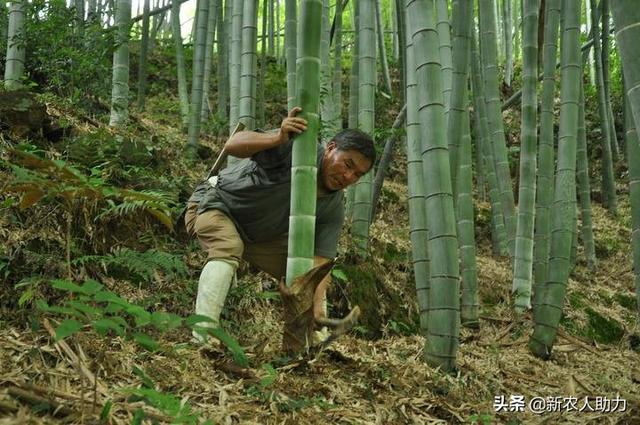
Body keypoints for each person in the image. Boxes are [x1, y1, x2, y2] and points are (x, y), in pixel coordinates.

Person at [185, 107, 375, 340]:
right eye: (347, 164)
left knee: (304, 272)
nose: (348, 177)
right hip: (215, 204)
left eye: (357, 175)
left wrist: (316, 307)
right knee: (228, 246)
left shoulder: (333, 206)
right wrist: (276, 137)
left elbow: (320, 263)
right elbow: (233, 144)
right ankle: (202, 337)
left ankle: (312, 342)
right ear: (331, 148)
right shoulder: (298, 149)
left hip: (257, 235)